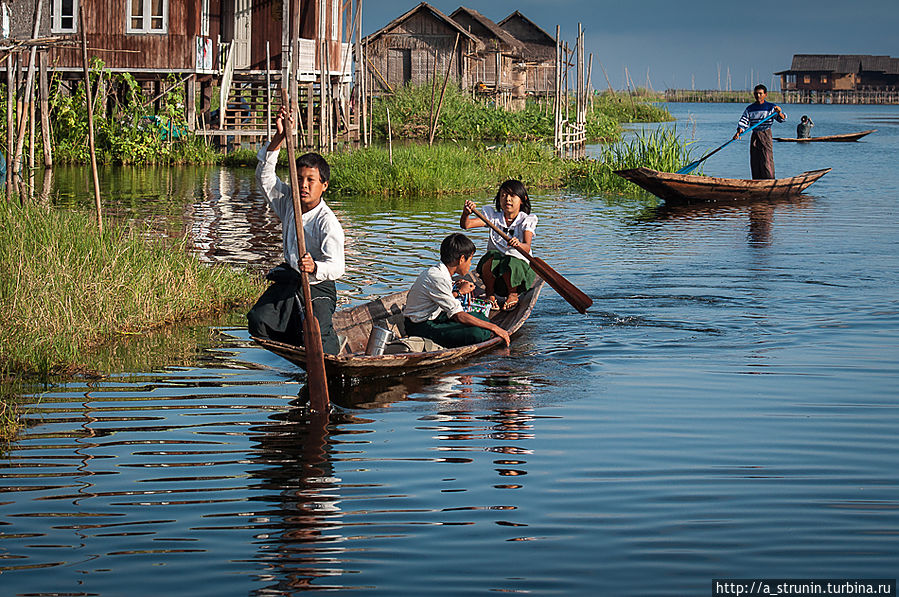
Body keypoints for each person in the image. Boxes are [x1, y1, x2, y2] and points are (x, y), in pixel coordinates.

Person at [247, 105, 345, 354]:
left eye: (310, 180)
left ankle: (333, 363)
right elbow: (264, 177)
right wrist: (279, 138)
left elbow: (338, 267)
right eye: (299, 178)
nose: (303, 185)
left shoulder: (327, 221)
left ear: (323, 185)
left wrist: (315, 267)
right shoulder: (288, 201)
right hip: (292, 280)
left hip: (318, 285)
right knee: (258, 320)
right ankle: (298, 347)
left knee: (320, 340)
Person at [403, 233, 511, 349]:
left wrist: (456, 288)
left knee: (479, 316)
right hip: (419, 326)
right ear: (461, 259)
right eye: (470, 260)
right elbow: (458, 316)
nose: (470, 264)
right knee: (477, 333)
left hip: (435, 316)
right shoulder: (438, 277)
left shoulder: (441, 272)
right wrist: (494, 327)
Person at [460, 179, 537, 311]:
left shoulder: (526, 220)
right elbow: (466, 225)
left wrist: (518, 244)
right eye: (503, 195)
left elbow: (527, 246)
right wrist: (466, 213)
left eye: (512, 196)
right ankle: (490, 294)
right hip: (496, 277)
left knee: (511, 260)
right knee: (492, 256)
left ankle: (513, 295)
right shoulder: (493, 217)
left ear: (522, 200)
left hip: (517, 275)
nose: (507, 199)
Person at [733, 84, 786, 179]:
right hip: (755, 134)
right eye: (756, 94)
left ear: (765, 94)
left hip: (765, 134)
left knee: (766, 159)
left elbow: (782, 119)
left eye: (760, 94)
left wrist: (779, 112)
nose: (758, 96)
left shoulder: (771, 107)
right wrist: (739, 131)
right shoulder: (750, 108)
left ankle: (769, 180)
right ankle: (757, 180)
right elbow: (744, 122)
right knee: (755, 159)